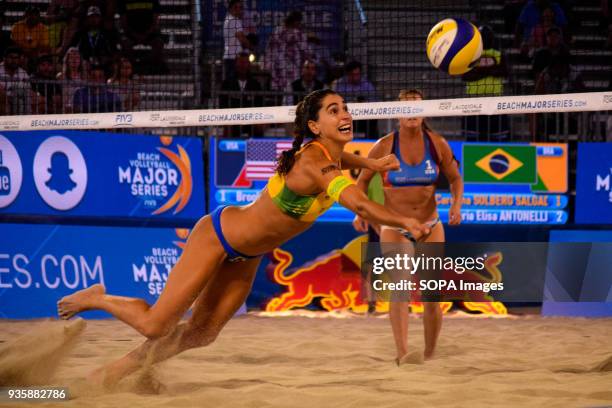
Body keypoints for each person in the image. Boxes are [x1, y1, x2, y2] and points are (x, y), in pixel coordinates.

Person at [57, 89, 430, 387]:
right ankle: (99, 298)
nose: (345, 114)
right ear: (315, 126)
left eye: (344, 107)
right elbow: (361, 206)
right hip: (217, 236)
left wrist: (372, 163)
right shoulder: (313, 162)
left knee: (202, 334)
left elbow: (344, 161)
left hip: (248, 254)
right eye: (333, 110)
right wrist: (405, 222)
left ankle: (116, 372)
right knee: (157, 325)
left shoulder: (331, 155)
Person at [353, 89, 464, 364]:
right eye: (406, 108)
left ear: (425, 112)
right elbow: (362, 181)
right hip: (395, 226)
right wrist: (360, 210)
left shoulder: (437, 144)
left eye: (417, 108)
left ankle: (429, 354)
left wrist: (456, 205)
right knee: (400, 289)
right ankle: (403, 353)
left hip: (430, 225)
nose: (412, 113)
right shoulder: (384, 146)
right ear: (397, 113)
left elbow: (455, 179)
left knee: (431, 296)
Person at [461, 26, 509, 140]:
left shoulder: (499, 54)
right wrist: (491, 70)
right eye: (483, 36)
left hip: (495, 102)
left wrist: (479, 71)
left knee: (497, 139)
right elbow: (466, 76)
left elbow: (504, 72)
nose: (486, 38)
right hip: (473, 103)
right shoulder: (470, 55)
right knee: (472, 139)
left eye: (488, 36)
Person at [219, 52, 264, 137]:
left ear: (249, 65)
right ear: (236, 65)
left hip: (251, 118)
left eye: (245, 63)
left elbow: (259, 103)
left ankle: (257, 146)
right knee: (227, 126)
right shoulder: (227, 83)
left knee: (259, 125)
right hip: (233, 119)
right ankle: (228, 148)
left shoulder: (255, 84)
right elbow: (223, 103)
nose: (243, 66)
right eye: (240, 63)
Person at [117, 0, 166, 73]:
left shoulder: (154, 1)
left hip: (149, 33)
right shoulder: (124, 1)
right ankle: (131, 68)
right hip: (131, 33)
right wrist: (134, 34)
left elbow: (156, 20)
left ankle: (151, 68)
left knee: (159, 43)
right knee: (125, 42)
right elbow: (123, 21)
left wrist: (147, 33)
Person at [222, 0, 252, 80]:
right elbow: (242, 38)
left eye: (240, 8)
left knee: (231, 83)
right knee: (233, 84)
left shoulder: (228, 19)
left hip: (230, 57)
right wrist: (251, 46)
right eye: (236, 7)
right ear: (230, 9)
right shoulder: (234, 21)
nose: (239, 10)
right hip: (234, 59)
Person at [57, 47, 86, 113]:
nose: (74, 60)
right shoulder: (60, 77)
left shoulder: (85, 77)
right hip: (66, 110)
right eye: (72, 57)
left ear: (80, 61)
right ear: (67, 60)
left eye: (77, 57)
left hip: (81, 111)